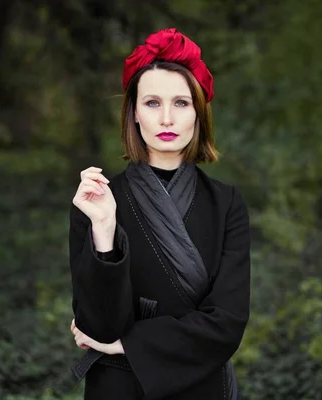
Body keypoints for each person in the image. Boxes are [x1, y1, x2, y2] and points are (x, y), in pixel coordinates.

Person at [68, 28, 251, 400]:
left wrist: (128, 345)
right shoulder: (97, 200)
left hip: (202, 387)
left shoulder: (227, 203)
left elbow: (228, 323)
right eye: (152, 102)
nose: (167, 118)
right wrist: (104, 229)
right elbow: (98, 327)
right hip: (118, 389)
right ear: (134, 112)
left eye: (181, 103)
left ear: (199, 112)